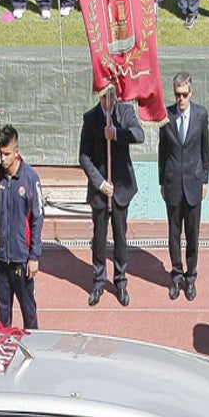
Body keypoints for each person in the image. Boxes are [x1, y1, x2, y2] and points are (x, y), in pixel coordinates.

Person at [80, 85, 145, 308]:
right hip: (101, 190)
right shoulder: (90, 119)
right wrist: (99, 183)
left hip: (121, 188)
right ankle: (98, 281)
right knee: (99, 239)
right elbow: (84, 156)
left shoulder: (124, 113)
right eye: (105, 94)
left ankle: (120, 281)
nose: (109, 98)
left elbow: (139, 135)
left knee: (120, 237)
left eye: (112, 94)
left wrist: (116, 133)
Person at [158, 74, 209, 300]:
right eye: (177, 94)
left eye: (184, 94)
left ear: (191, 93)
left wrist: (205, 179)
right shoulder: (166, 116)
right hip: (172, 185)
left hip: (193, 183)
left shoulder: (201, 115)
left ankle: (191, 277)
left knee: (192, 234)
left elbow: (205, 149)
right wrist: (161, 181)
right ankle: (176, 275)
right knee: (173, 234)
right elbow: (162, 152)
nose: (180, 99)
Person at [0, 124, 43, 329]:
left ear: (16, 152)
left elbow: (38, 218)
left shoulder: (30, 178)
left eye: (6, 154)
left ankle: (35, 353)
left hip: (22, 261)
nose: (3, 159)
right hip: (0, 259)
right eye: (0, 154)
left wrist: (34, 256)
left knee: (29, 314)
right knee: (3, 318)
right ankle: (4, 357)